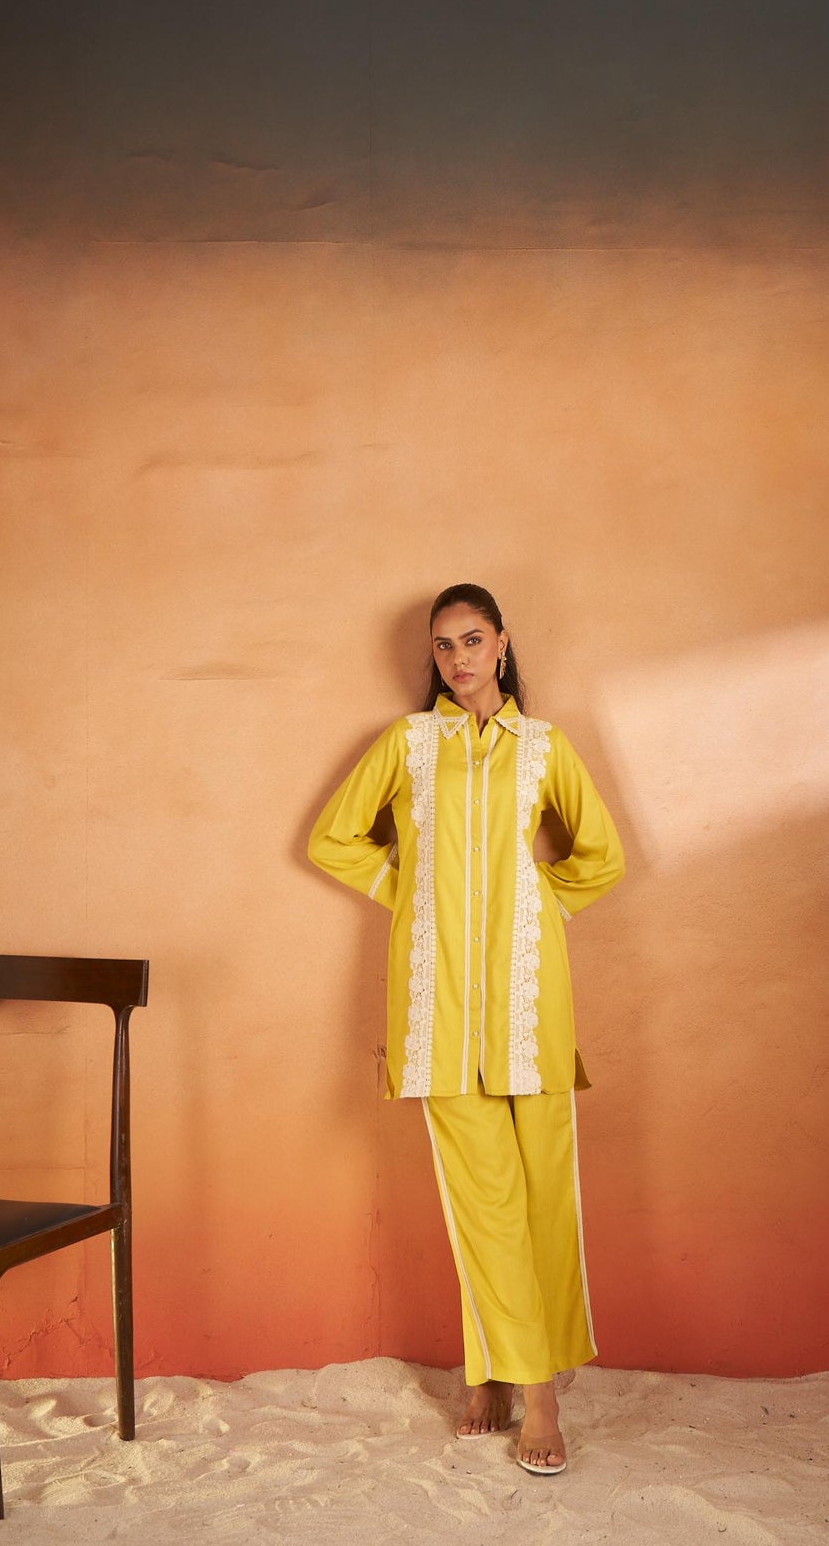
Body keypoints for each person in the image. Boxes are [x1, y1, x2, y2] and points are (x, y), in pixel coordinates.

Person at [307, 583, 624, 1475]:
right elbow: (333, 840)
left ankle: (487, 1371)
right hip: (437, 1011)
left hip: (531, 1004)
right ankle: (538, 1394)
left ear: (502, 643)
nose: (458, 659)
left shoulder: (544, 747)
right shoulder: (409, 744)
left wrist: (538, 902)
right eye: (444, 645)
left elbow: (601, 857)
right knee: (485, 1205)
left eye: (472, 640)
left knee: (543, 1202)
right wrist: (407, 892)